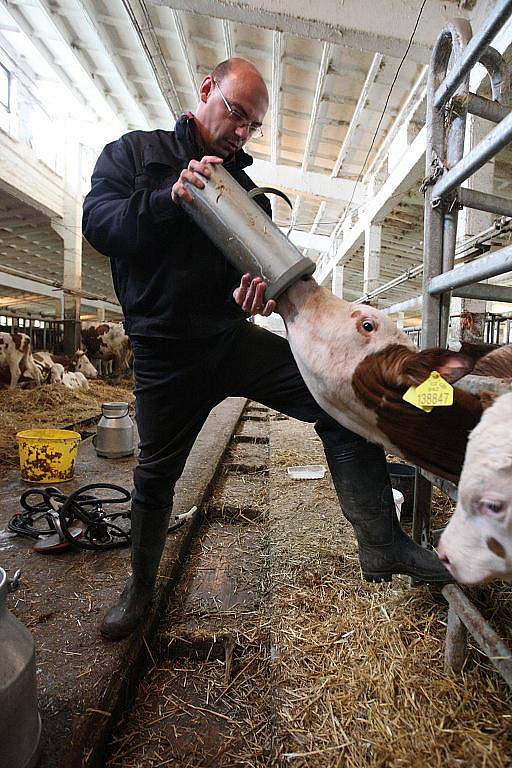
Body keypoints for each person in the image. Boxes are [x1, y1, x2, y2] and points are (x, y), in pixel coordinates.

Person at [83, 57, 450, 641]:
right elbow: (100, 227)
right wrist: (167, 198)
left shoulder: (247, 193)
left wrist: (253, 298)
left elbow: (252, 279)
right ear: (207, 90)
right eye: (236, 114)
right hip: (164, 354)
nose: (242, 133)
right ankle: (140, 590)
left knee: (339, 411)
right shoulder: (135, 155)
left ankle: (383, 546)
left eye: (252, 126)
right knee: (155, 475)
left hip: (231, 341)